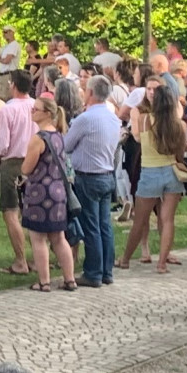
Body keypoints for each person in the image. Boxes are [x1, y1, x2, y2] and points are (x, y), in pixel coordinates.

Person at [123, 79, 187, 270]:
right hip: (172, 171)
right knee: (167, 219)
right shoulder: (179, 125)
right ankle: (162, 263)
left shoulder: (144, 119)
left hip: (150, 171)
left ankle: (126, 259)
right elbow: (179, 153)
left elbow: (136, 137)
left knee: (140, 219)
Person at [65, 74, 123, 287]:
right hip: (107, 175)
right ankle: (106, 271)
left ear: (90, 93)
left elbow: (67, 145)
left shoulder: (86, 119)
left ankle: (93, 272)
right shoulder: (113, 118)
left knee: (91, 226)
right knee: (104, 224)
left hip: (88, 176)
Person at [17, 95, 76, 291]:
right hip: (58, 190)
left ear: (48, 114)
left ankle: (44, 281)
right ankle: (69, 279)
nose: (32, 112)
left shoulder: (38, 139)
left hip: (40, 192)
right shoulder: (59, 135)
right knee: (59, 237)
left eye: (36, 109)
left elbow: (26, 168)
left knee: (38, 238)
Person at [0, 69, 40, 273]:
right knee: (34, 212)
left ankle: (20, 260)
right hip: (35, 160)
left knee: (10, 211)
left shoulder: (7, 110)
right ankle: (39, 258)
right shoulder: (36, 107)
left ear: (13, 85)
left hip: (13, 161)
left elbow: (1, 144)